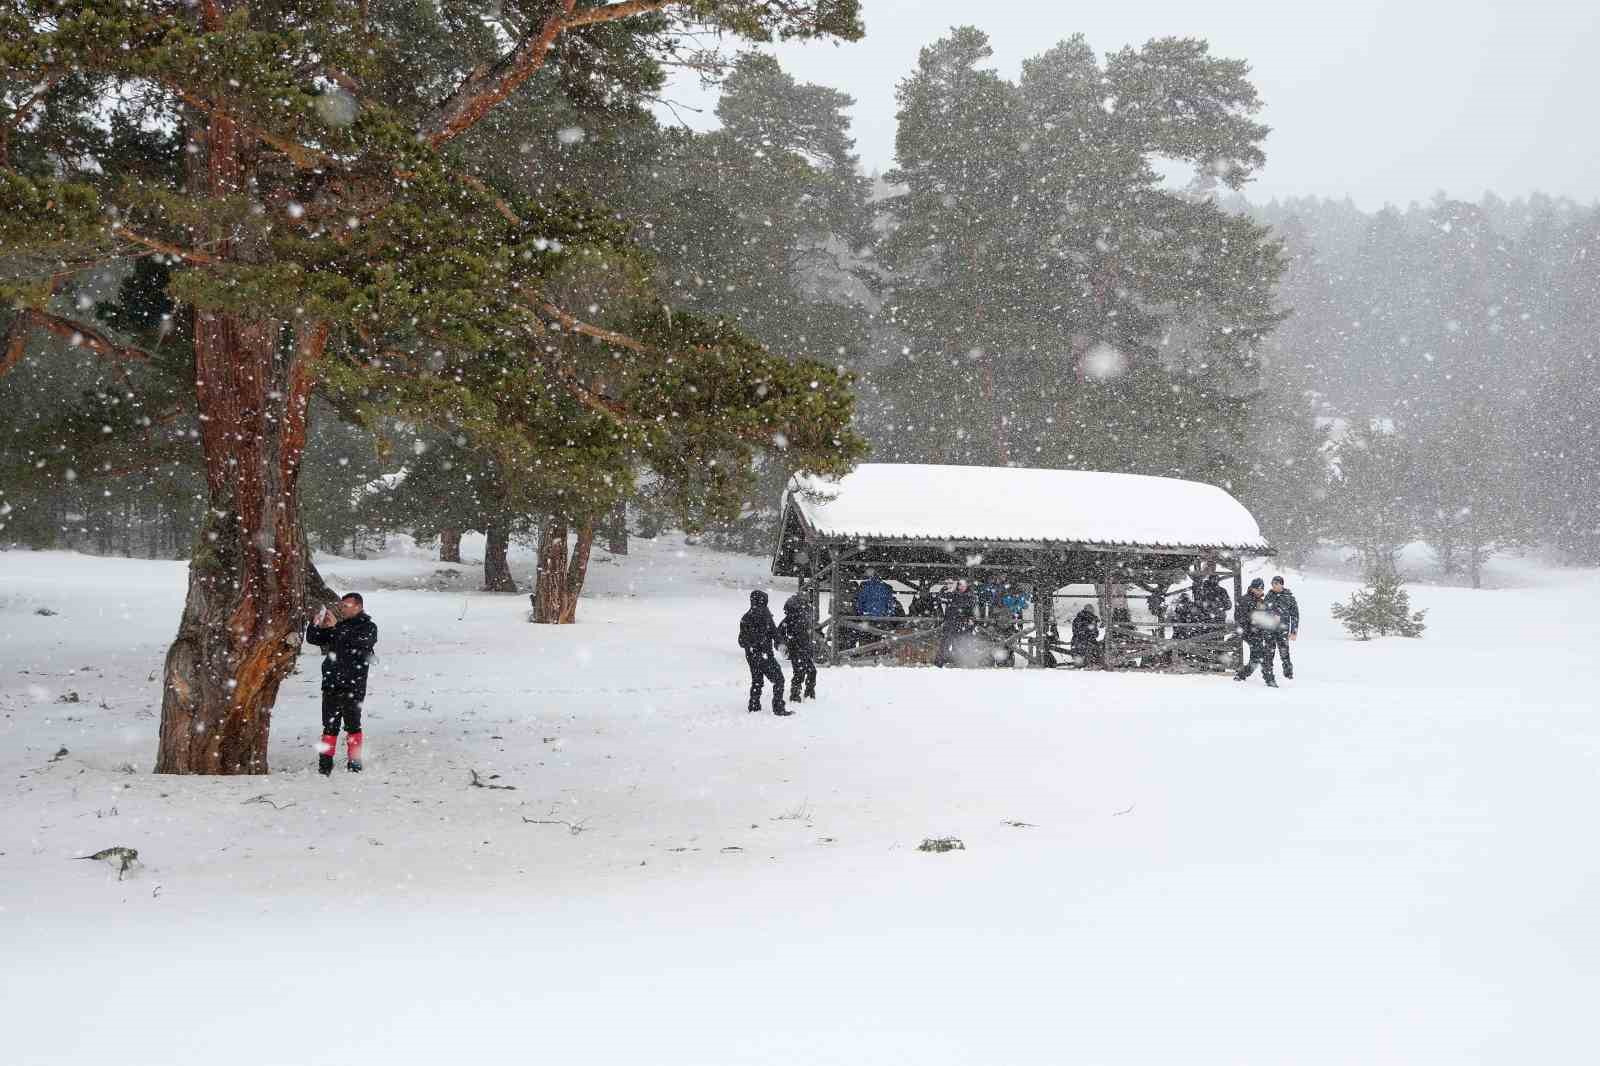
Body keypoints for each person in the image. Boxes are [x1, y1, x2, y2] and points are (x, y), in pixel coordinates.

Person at [304, 592, 379, 774]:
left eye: (346, 605)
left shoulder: (368, 627)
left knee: (353, 725)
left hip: (353, 684)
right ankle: (325, 764)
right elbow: (314, 639)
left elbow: (357, 642)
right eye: (342, 605)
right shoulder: (340, 627)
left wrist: (336, 628)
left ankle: (355, 762)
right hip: (331, 682)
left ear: (358, 607)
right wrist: (316, 623)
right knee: (329, 726)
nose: (342, 609)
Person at [738, 590, 790, 715]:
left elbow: (741, 641)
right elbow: (774, 633)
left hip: (752, 656)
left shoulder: (746, 617)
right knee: (779, 680)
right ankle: (778, 708)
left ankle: (754, 705)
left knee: (757, 680)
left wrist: (751, 646)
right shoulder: (765, 615)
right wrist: (780, 645)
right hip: (764, 655)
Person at [1233, 578, 1278, 687]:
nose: (1260, 591)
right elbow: (1239, 618)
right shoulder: (1245, 600)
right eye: (1257, 589)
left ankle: (1242, 674)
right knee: (1262, 655)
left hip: (1258, 633)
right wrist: (1251, 623)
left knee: (1256, 657)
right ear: (1252, 588)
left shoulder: (1261, 602)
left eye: (1261, 589)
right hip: (1248, 632)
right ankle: (1269, 679)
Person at [776, 595, 817, 703]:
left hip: (803, 649)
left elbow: (808, 634)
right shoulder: (791, 619)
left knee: (810, 671)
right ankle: (795, 694)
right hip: (795, 649)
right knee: (800, 672)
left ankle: (808, 692)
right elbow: (778, 633)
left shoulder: (803, 617)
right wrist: (783, 644)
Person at [1264, 575, 1300, 680]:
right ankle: (1268, 674)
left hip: (1283, 630)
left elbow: (1295, 615)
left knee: (1284, 652)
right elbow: (1263, 610)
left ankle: (1288, 674)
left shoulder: (1289, 597)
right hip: (1269, 629)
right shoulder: (1269, 596)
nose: (1274, 586)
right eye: (1273, 583)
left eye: (1276, 583)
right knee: (1269, 653)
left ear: (1281, 584)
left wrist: (1294, 631)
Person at [936, 579, 976, 666]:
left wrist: (970, 618)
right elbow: (941, 598)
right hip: (950, 622)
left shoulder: (970, 596)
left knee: (960, 643)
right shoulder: (952, 594)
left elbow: (972, 610)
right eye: (960, 585)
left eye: (963, 586)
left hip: (963, 624)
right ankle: (940, 662)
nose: (961, 587)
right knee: (946, 642)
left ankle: (960, 661)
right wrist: (948, 589)